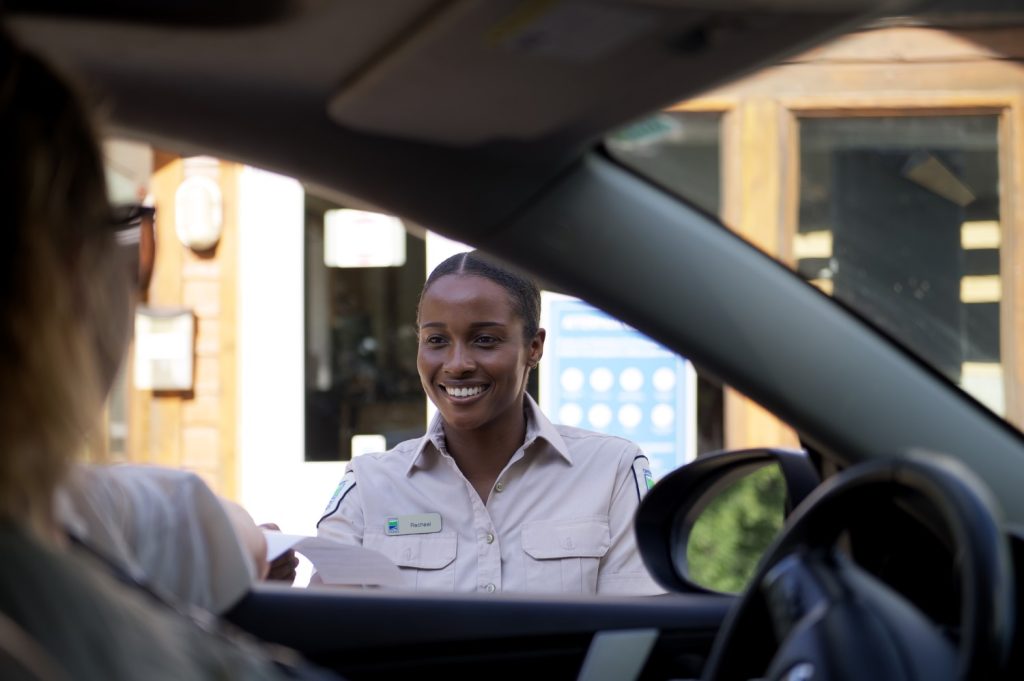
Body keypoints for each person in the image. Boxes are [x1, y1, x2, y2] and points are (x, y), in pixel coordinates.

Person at [0, 29, 336, 679]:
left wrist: (256, 537)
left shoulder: (65, 510)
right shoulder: (52, 613)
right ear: (62, 278)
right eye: (119, 233)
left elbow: (175, 514)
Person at [316, 251, 663, 595]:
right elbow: (320, 626)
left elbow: (636, 632)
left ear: (534, 347)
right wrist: (266, 579)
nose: (457, 364)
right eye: (436, 340)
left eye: (485, 340)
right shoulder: (369, 484)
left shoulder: (611, 471)